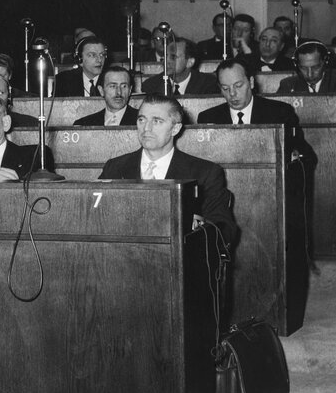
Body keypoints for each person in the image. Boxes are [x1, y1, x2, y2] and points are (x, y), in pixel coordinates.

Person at [99, 94, 236, 244]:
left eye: (157, 121)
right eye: (141, 119)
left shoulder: (204, 173)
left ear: (175, 128)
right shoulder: (115, 168)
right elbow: (95, 217)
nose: (146, 128)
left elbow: (224, 230)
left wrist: (193, 232)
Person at [197, 59, 315, 164]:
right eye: (225, 88)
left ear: (251, 82)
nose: (232, 93)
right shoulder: (208, 118)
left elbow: (306, 156)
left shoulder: (280, 112)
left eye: (238, 85)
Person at [141, 37, 218, 95]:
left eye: (173, 57)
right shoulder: (151, 86)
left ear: (190, 62)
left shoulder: (208, 85)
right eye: (165, 56)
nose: (166, 61)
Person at [73, 66, 138, 126]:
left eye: (124, 86)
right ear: (101, 91)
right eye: (112, 86)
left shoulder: (142, 120)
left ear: (130, 90)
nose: (119, 92)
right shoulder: (84, 124)